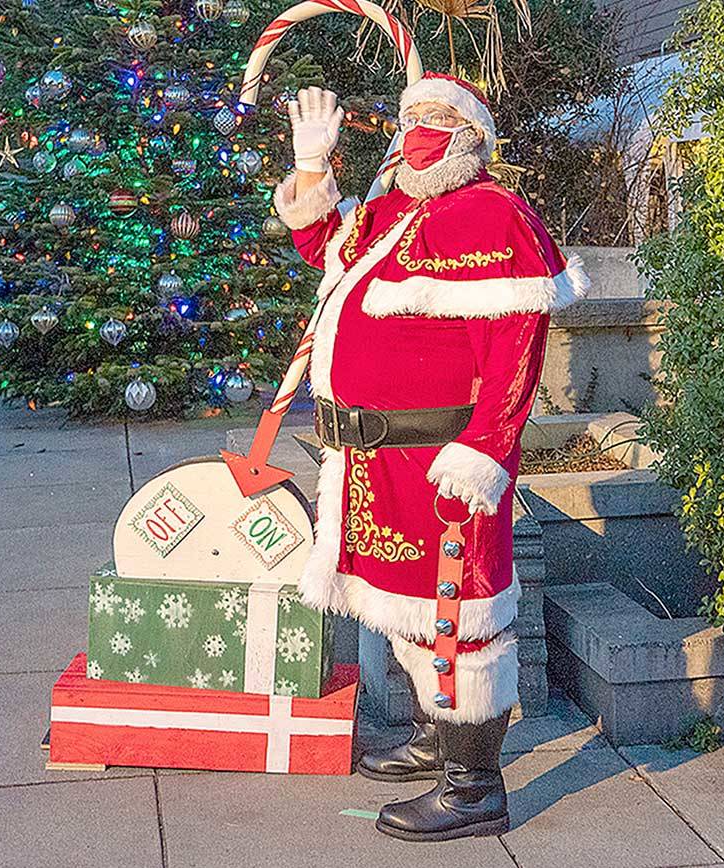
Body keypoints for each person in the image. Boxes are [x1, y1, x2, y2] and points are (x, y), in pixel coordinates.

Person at [273, 72, 588, 842]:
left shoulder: (496, 215)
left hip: (440, 460)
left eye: (441, 117)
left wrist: (484, 451)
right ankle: (432, 742)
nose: (422, 129)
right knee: (402, 604)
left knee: (456, 612)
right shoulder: (391, 211)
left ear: (474, 134)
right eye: (413, 116)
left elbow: (517, 353)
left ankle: (475, 786)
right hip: (373, 460)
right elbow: (322, 241)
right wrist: (313, 166)